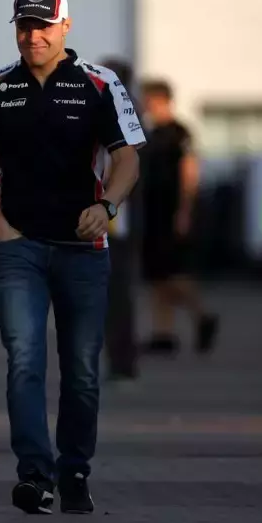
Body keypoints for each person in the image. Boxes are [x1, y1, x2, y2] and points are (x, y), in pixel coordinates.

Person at [0, 0, 145, 515]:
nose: (32, 35)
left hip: (83, 251)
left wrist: (107, 205)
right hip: (18, 250)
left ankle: (75, 469)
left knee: (82, 366)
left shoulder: (99, 83)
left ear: (65, 26)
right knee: (24, 360)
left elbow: (127, 157)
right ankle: (34, 476)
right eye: (23, 25)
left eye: (42, 25)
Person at [137, 79, 219, 356]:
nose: (146, 105)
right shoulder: (152, 133)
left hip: (172, 212)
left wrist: (184, 211)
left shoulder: (178, 132)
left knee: (174, 274)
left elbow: (189, 172)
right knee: (157, 275)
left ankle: (203, 315)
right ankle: (163, 333)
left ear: (162, 100)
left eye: (149, 99)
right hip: (153, 212)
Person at [98, 57, 140, 382]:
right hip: (116, 222)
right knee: (115, 296)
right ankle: (120, 361)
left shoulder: (117, 114)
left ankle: (122, 363)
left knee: (116, 296)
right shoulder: (129, 113)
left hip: (113, 223)